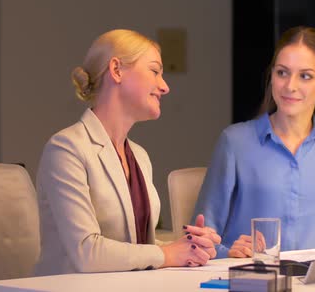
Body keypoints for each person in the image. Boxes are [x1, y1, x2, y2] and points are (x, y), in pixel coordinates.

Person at [35, 29, 221, 275]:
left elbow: (136, 249)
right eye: (155, 71)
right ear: (117, 70)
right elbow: (86, 253)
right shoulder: (66, 149)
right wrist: (167, 253)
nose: (164, 87)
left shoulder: (139, 156)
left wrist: (189, 248)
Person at [192, 26, 315, 259]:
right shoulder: (234, 141)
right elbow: (200, 239)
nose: (290, 86)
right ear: (271, 76)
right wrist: (228, 252)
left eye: (305, 76)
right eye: (282, 72)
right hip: (251, 279)